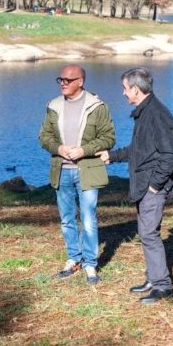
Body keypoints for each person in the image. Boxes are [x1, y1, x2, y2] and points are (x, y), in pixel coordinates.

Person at [96, 67, 173, 304]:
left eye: (125, 88)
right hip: (143, 184)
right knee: (146, 233)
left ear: (135, 88)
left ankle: (164, 287)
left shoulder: (158, 115)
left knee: (149, 234)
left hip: (151, 186)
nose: (123, 93)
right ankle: (154, 278)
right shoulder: (144, 112)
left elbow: (169, 154)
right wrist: (112, 156)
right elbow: (139, 150)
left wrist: (155, 185)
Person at [39, 64, 115, 285]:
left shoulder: (97, 106)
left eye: (67, 80)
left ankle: (90, 264)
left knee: (89, 219)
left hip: (87, 172)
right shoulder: (53, 106)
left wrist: (84, 150)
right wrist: (58, 149)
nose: (63, 83)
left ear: (80, 82)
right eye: (60, 79)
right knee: (66, 219)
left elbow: (108, 138)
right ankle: (74, 258)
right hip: (62, 171)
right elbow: (43, 136)